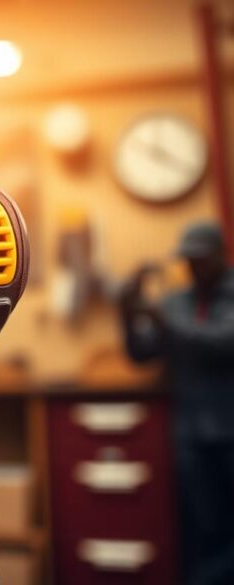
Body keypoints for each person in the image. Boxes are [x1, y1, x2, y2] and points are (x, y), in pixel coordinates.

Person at [119, 221, 234, 585]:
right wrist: (126, 309)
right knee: (199, 524)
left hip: (229, 428)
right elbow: (142, 352)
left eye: (200, 258)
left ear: (219, 255)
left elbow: (221, 342)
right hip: (190, 431)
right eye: (188, 260)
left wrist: (163, 322)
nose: (193, 267)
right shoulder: (175, 303)